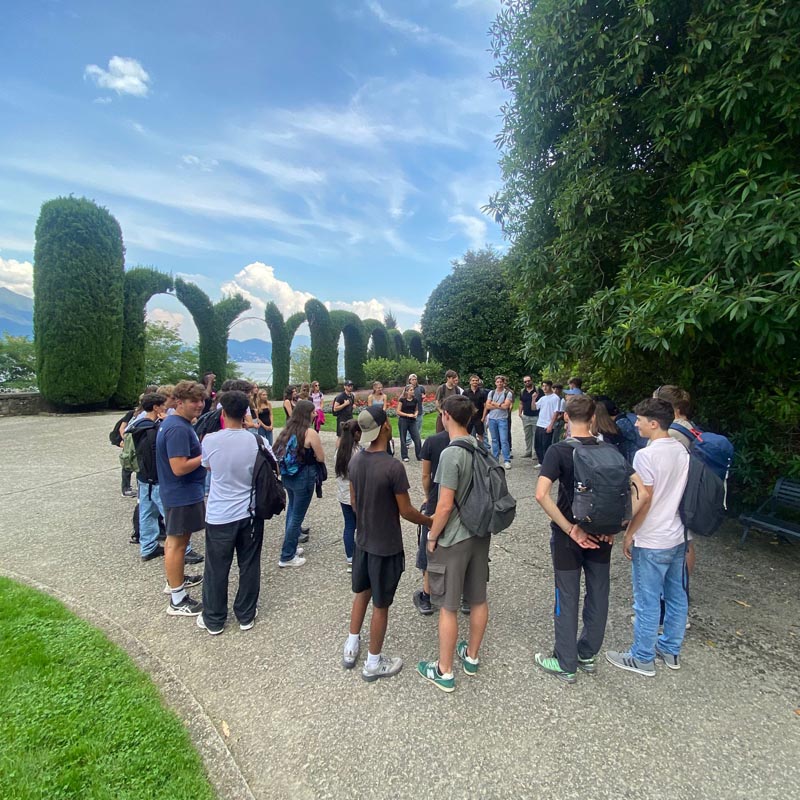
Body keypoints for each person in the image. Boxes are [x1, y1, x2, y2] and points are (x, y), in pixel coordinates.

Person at [534, 394, 637, 683]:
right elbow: (641, 490)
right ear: (593, 418)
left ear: (566, 417)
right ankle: (587, 653)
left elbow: (541, 494)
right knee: (599, 592)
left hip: (569, 536)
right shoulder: (611, 451)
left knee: (567, 595)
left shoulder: (558, 451)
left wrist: (570, 528)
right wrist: (618, 524)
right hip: (602, 533)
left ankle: (565, 662)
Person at [342, 406, 433, 681]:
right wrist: (428, 521)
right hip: (385, 546)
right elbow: (406, 511)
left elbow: (354, 502)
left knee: (362, 592)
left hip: (363, 541)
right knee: (381, 604)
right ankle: (373, 662)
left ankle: (351, 646)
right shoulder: (393, 467)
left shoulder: (355, 461)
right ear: (385, 427)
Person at [606, 398, 690, 677]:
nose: (636, 424)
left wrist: (629, 532)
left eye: (640, 420)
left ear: (654, 424)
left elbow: (644, 498)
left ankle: (642, 656)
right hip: (677, 534)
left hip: (652, 537)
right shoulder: (681, 449)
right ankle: (670, 649)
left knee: (647, 600)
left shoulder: (646, 455)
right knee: (676, 595)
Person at [417, 395, 492, 693]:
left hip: (455, 537)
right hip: (480, 533)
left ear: (446, 415)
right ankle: (471, 656)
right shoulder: (479, 446)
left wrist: (432, 536)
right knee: (478, 599)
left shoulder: (451, 453)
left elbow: (445, 505)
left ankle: (444, 670)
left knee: (448, 606)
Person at [196, 390, 265, 635]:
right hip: (249, 511)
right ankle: (246, 613)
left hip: (220, 513)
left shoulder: (210, 440)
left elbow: (207, 466)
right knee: (249, 564)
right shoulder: (257, 441)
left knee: (216, 567)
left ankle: (214, 617)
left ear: (223, 412)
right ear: (246, 412)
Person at [155, 380, 208, 617]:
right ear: (179, 402)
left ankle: (175, 580)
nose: (199, 405)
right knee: (177, 544)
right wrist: (206, 455)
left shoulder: (177, 423)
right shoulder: (177, 428)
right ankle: (177, 598)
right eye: (193, 401)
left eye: (201, 400)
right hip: (181, 494)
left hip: (179, 493)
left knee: (177, 542)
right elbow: (179, 467)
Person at [273, 399, 325, 568]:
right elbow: (321, 457)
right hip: (304, 476)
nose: (315, 414)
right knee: (297, 516)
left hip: (288, 476)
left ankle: (292, 546)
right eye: (313, 412)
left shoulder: (287, 431)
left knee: (292, 511)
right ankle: (287, 555)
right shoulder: (310, 433)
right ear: (306, 414)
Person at [412, 426, 451, 617]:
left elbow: (426, 475)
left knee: (428, 549)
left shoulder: (433, 442)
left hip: (437, 500)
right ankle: (466, 596)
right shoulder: (475, 443)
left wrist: (427, 496)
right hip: (464, 505)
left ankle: (427, 597)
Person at [335, 419, 362, 572]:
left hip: (343, 494)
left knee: (349, 525)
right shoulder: (357, 453)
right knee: (360, 524)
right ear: (356, 433)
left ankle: (350, 557)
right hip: (356, 494)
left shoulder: (339, 451)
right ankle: (359, 553)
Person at [484, 375, 513, 470]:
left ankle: (507, 460)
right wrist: (500, 405)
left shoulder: (507, 393)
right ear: (495, 383)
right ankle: (495, 459)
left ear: (503, 383)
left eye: (501, 382)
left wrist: (494, 404)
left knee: (504, 440)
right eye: (497, 382)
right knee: (494, 440)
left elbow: (506, 406)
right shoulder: (491, 393)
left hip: (502, 419)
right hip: (492, 419)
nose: (499, 383)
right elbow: (487, 406)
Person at [534, 380, 562, 466]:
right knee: (537, 445)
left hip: (547, 425)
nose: (544, 388)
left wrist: (551, 425)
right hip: (539, 423)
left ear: (550, 386)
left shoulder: (555, 398)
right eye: (543, 386)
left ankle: (547, 463)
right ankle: (541, 462)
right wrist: (533, 398)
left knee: (546, 445)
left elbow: (556, 412)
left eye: (546, 386)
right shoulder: (543, 398)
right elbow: (534, 408)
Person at [397, 384, 421, 462]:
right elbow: (398, 411)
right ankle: (404, 456)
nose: (413, 391)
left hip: (412, 421)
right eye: (411, 390)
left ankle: (419, 455)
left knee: (417, 438)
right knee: (403, 438)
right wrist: (407, 415)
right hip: (403, 420)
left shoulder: (415, 400)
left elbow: (416, 409)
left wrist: (416, 414)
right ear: (407, 391)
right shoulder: (402, 400)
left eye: (413, 390)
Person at [462, 374, 488, 444]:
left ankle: (482, 448)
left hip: (479, 417)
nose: (475, 382)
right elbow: (463, 405)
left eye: (476, 380)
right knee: (469, 435)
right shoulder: (465, 392)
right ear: (470, 382)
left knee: (481, 435)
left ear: (478, 382)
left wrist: (483, 417)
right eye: (473, 380)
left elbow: (485, 406)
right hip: (469, 417)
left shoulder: (482, 392)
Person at [519, 375, 539, 458]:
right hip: (526, 416)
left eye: (528, 381)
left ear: (531, 380)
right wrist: (520, 413)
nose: (527, 382)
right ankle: (528, 451)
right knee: (527, 435)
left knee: (535, 435)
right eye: (525, 381)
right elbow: (521, 403)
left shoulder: (537, 390)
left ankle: (535, 453)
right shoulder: (522, 391)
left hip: (536, 416)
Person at [333, 379, 356, 447]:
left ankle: (348, 450)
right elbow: (335, 408)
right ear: (345, 387)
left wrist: (353, 406)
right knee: (340, 436)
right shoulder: (340, 396)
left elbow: (351, 405)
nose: (350, 387)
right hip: (342, 418)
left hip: (350, 417)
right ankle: (337, 451)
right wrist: (344, 404)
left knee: (350, 435)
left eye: (351, 386)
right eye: (349, 386)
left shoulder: (352, 396)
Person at [408, 373, 426, 443]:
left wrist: (423, 397)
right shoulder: (407, 388)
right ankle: (408, 442)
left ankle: (417, 441)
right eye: (412, 380)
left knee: (418, 427)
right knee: (409, 427)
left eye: (415, 379)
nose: (414, 381)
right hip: (410, 410)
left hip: (419, 409)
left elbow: (424, 394)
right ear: (410, 380)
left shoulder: (421, 388)